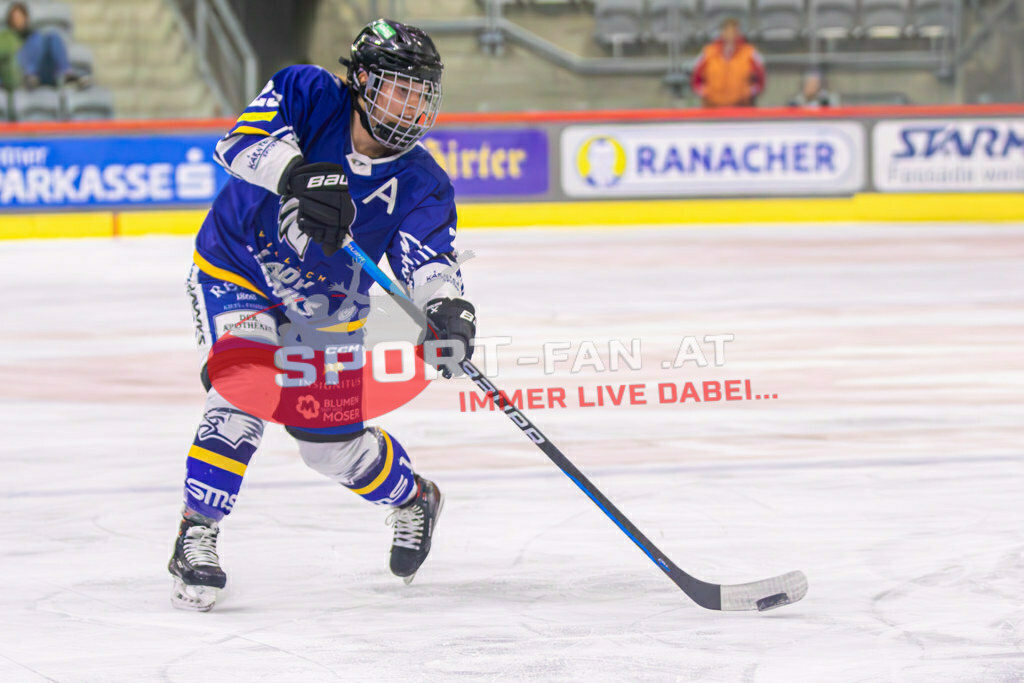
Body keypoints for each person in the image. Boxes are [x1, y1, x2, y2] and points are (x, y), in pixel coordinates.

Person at [168, 18, 476, 612]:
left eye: (421, 93)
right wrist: (296, 174)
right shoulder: (307, 93)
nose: (410, 106)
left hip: (329, 308)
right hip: (239, 267)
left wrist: (446, 309)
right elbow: (236, 143)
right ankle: (196, 533)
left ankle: (413, 498)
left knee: (328, 447)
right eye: (397, 88)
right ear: (360, 81)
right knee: (243, 390)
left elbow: (428, 259)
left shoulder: (422, 182)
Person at [690, 18, 766, 108]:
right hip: (713, 107)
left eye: (734, 31)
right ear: (722, 32)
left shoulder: (749, 52)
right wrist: (706, 92)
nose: (731, 34)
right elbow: (696, 79)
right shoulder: (708, 52)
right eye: (727, 30)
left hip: (741, 107)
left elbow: (761, 79)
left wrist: (748, 92)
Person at [0, 2, 72, 90]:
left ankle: (66, 74)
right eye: (15, 18)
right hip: (19, 74)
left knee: (53, 36)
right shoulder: (6, 38)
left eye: (20, 17)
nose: (18, 20)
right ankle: (30, 74)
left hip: (40, 73)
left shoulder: (34, 36)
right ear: (10, 20)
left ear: (26, 18)